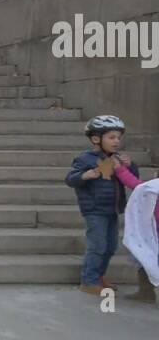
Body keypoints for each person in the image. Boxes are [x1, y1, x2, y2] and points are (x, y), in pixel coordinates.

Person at [65, 115, 138, 295]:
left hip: (113, 209)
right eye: (111, 137)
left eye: (118, 138)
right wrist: (85, 175)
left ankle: (99, 275)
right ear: (97, 139)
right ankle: (89, 280)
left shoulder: (118, 159)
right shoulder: (85, 159)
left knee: (111, 246)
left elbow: (132, 179)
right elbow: (70, 179)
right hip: (95, 210)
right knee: (97, 245)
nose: (116, 141)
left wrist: (131, 166)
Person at [113, 151, 158, 305]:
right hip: (153, 234)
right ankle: (146, 292)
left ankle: (146, 292)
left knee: (145, 260)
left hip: (152, 235)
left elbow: (135, 184)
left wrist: (120, 169)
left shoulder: (153, 188)